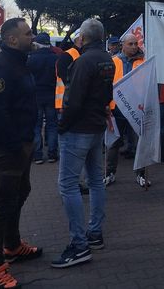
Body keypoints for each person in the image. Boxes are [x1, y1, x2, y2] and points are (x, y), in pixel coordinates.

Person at [0, 18, 41, 288]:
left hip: (23, 142)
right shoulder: (2, 68)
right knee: (3, 203)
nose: (33, 36)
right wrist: (15, 145)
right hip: (9, 147)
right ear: (12, 40)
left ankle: (13, 245)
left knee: (22, 191)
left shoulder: (19, 63)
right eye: (28, 33)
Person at [52, 18, 114, 269]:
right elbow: (107, 93)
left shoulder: (83, 61)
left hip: (78, 129)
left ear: (83, 38)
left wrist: (63, 126)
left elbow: (73, 100)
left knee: (68, 185)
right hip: (96, 126)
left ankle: (79, 245)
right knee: (96, 180)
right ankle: (95, 233)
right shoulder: (108, 59)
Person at [105, 33, 145, 187]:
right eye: (131, 44)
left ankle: (141, 174)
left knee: (139, 143)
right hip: (117, 110)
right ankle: (110, 173)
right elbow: (106, 85)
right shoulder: (113, 61)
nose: (134, 47)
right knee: (113, 143)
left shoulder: (142, 62)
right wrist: (106, 104)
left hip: (136, 109)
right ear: (123, 45)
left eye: (136, 44)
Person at [27, 32, 59, 164]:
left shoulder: (30, 59)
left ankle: (38, 155)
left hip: (35, 96)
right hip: (52, 95)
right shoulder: (56, 58)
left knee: (36, 126)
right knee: (52, 125)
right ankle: (52, 153)